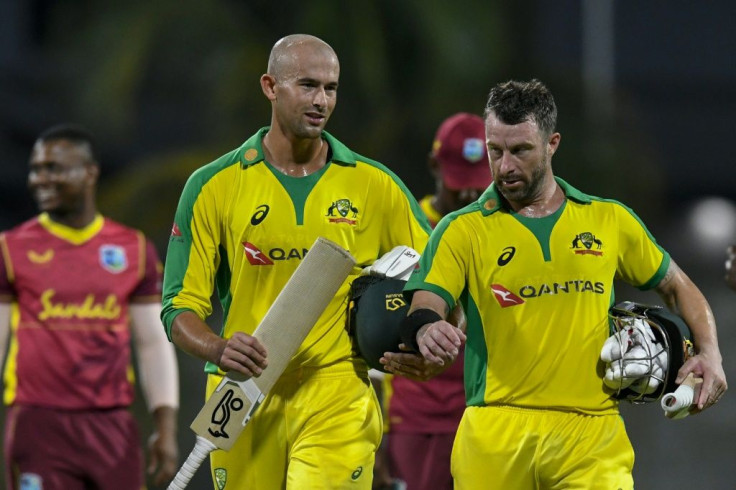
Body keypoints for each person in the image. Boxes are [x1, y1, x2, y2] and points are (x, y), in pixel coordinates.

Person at [387, 79, 727, 489]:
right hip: (494, 432)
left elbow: (677, 286)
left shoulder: (609, 220)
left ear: (552, 144)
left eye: (520, 150)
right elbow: (426, 301)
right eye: (495, 151)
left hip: (591, 436)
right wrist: (427, 326)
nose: (504, 166)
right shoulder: (461, 230)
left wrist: (710, 353)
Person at [161, 34, 431, 489]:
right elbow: (177, 307)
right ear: (270, 86)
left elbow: (441, 275)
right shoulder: (213, 186)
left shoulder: (375, 185)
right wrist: (217, 347)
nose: (321, 100)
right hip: (243, 391)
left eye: (331, 88)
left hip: (337, 390)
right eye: (307, 85)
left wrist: (430, 335)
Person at [0, 124, 179, 489]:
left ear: (90, 172)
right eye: (36, 169)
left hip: (111, 428)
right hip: (38, 424)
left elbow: (152, 343)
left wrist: (165, 425)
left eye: (55, 168)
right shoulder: (11, 249)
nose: (40, 179)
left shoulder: (133, 249)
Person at [375, 113, 491, 490]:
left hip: (484, 412)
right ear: (433, 165)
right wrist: (376, 438)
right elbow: (372, 333)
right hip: (415, 418)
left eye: (479, 183)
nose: (471, 194)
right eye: (460, 183)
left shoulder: (500, 231)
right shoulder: (403, 228)